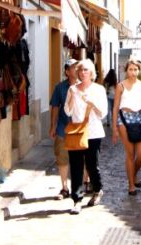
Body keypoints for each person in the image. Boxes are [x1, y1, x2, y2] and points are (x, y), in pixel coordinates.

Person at [64, 59, 108, 214]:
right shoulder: (73, 89)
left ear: (92, 73)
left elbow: (103, 113)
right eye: (81, 70)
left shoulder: (99, 89)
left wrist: (92, 103)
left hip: (94, 132)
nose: (83, 73)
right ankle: (76, 199)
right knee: (75, 166)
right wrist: (70, 97)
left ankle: (97, 189)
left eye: (86, 70)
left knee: (92, 165)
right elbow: (68, 112)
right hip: (77, 132)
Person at [111, 59, 141, 195]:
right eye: (131, 69)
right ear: (126, 71)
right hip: (125, 119)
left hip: (140, 118)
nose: (133, 72)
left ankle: (133, 173)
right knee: (131, 154)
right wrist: (114, 128)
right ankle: (131, 184)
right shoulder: (120, 86)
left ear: (139, 70)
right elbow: (115, 107)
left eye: (136, 69)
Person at [49, 58, 78, 199]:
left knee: (81, 157)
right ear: (67, 72)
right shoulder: (60, 88)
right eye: (74, 67)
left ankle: (83, 184)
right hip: (63, 127)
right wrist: (53, 126)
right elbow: (55, 107)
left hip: (80, 128)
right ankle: (65, 187)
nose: (77, 69)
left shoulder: (84, 86)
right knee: (62, 157)